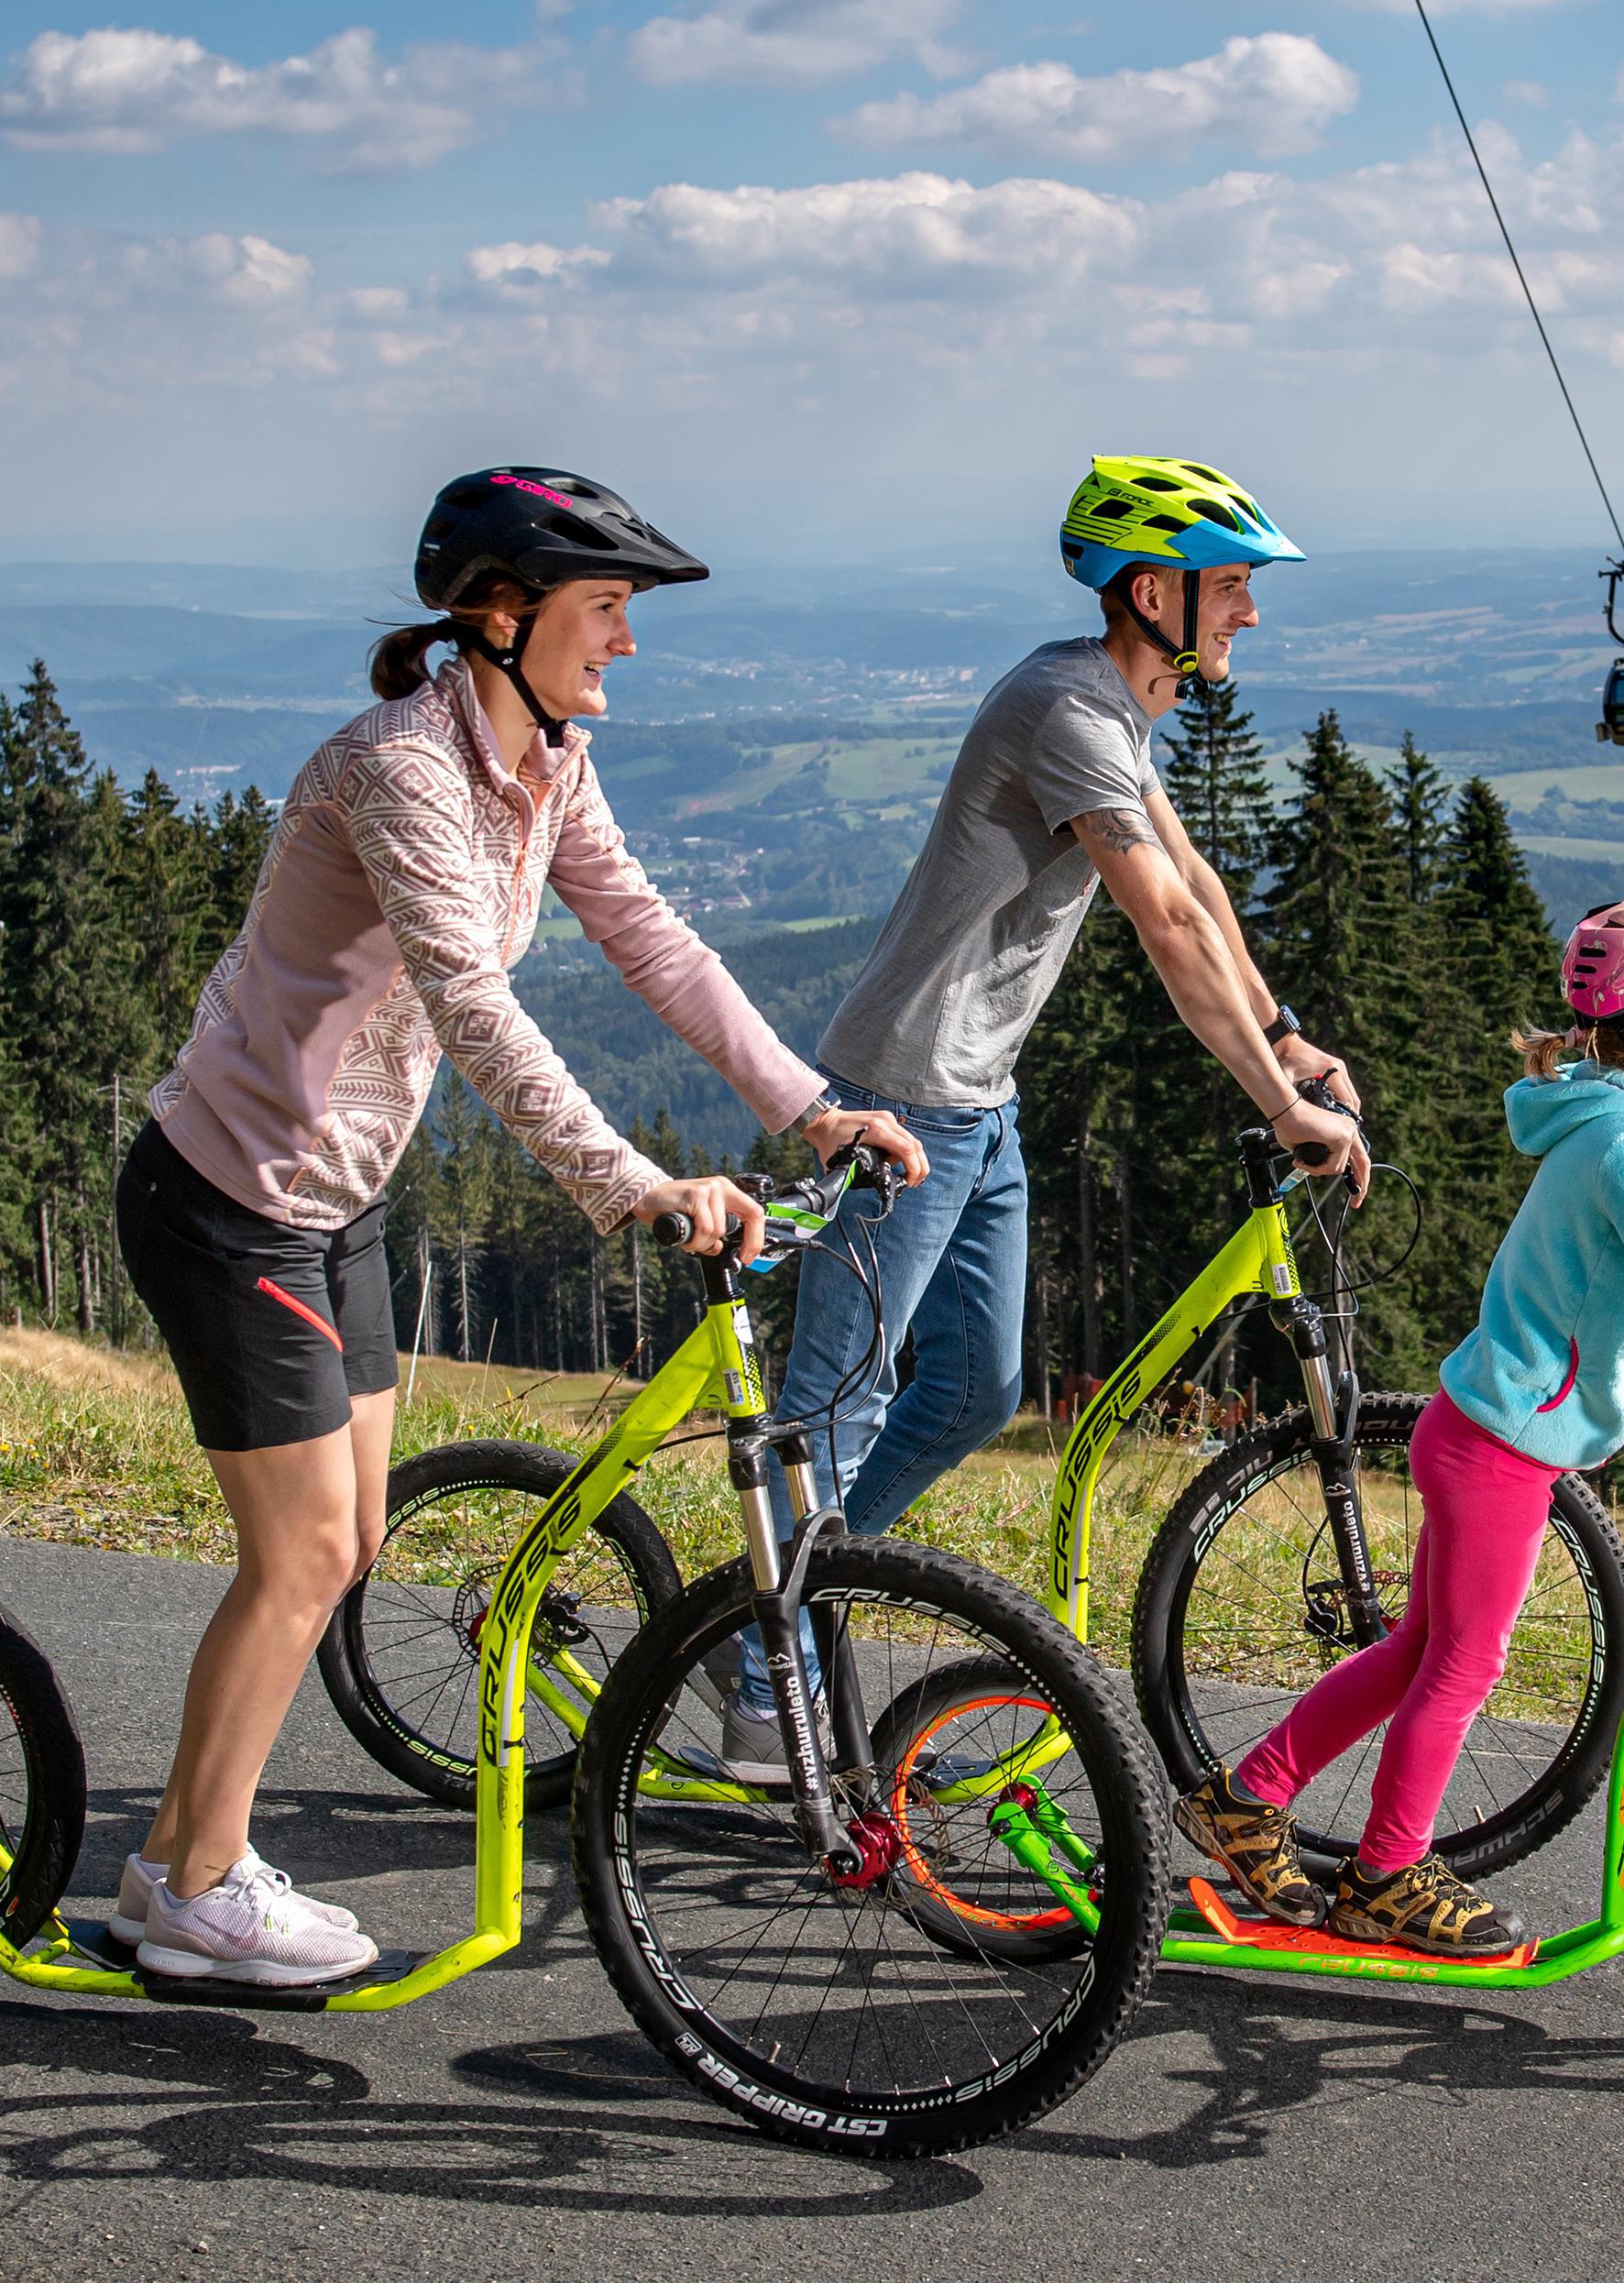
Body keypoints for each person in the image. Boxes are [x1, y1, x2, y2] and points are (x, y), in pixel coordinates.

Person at [106, 466, 927, 1987]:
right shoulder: (402, 771)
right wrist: (633, 1181)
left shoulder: (542, 763)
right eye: (605, 610)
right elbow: (472, 1004)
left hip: (332, 1199)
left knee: (340, 1552)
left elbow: (656, 947)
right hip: (233, 1200)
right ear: (502, 614)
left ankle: (185, 1852)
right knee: (302, 1559)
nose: (625, 641)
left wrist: (814, 1109)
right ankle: (188, 1882)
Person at [720, 456, 1368, 1779]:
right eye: (1232, 588)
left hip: (980, 1104)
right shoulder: (1066, 708)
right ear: (1153, 591)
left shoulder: (1115, 711)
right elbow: (1165, 925)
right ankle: (754, 1686)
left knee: (973, 1388)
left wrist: (1288, 1032)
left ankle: (815, 1570)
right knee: (832, 1405)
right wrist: (1279, 1106)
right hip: (900, 1099)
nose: (1251, 614)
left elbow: (1196, 879)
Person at [1175, 895, 1624, 1957]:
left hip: (1485, 1433)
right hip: (1500, 1452)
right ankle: (1385, 1875)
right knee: (1461, 1667)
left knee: (1419, 1652)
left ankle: (1246, 1801)